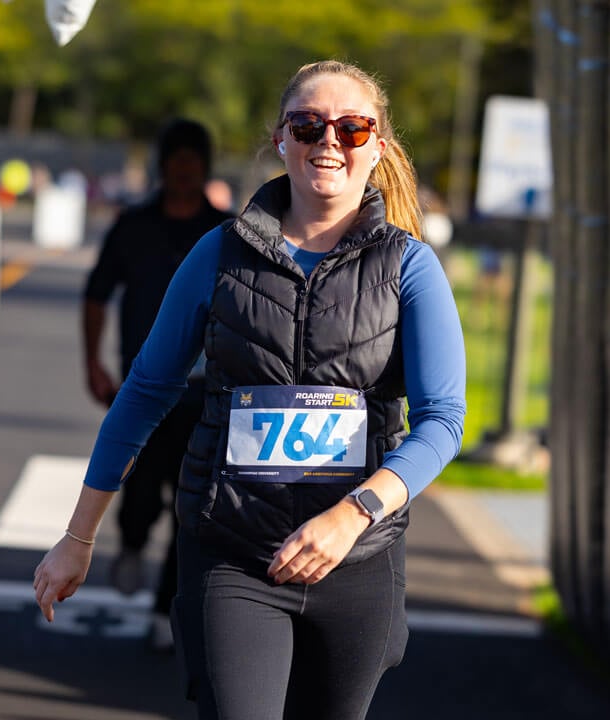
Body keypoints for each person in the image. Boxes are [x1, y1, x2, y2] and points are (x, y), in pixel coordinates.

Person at [37, 60, 466, 719]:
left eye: (352, 129)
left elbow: (442, 421)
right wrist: (78, 537)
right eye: (308, 125)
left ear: (377, 145)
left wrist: (353, 515)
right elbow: (146, 392)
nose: (328, 141)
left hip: (357, 562)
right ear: (280, 139)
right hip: (232, 555)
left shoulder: (409, 265)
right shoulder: (218, 253)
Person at [80, 118, 232, 651]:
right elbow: (96, 294)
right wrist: (93, 364)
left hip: (207, 394)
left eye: (196, 159)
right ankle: (131, 541)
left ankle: (166, 606)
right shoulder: (133, 227)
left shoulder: (229, 233)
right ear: (164, 166)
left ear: (205, 167)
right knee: (140, 492)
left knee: (190, 507)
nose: (186, 169)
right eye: (178, 158)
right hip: (143, 390)